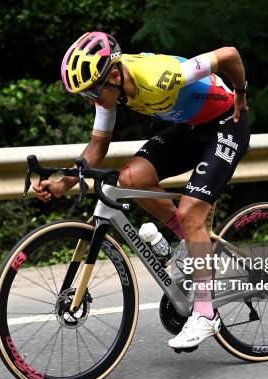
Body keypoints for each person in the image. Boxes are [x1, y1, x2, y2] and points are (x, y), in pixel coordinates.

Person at [33, 31, 250, 350]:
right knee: (131, 179)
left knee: (192, 214)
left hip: (226, 125)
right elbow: (98, 145)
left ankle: (205, 313)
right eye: (84, 94)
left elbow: (229, 53)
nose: (92, 99)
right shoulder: (110, 88)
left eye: (93, 90)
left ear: (116, 75)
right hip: (191, 128)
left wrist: (241, 94)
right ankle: (186, 243)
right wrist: (64, 181)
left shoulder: (162, 76)